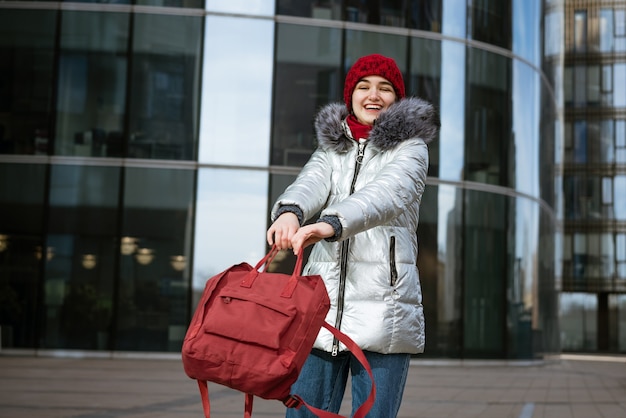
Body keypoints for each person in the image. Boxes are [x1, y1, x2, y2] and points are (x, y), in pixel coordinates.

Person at [266, 53, 440, 417]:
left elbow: (386, 195)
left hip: (385, 311)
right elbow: (309, 183)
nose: (373, 95)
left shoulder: (411, 148)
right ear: (351, 96)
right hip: (322, 310)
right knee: (303, 413)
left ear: (397, 98)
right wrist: (289, 212)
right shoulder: (332, 148)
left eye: (384, 88)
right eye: (363, 87)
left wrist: (329, 223)